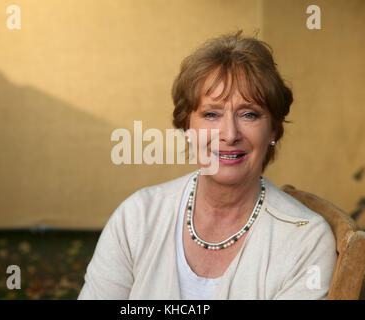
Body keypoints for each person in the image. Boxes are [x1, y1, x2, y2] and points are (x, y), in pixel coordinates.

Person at [78, 30, 337, 300]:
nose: (229, 134)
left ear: (273, 130)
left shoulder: (305, 239)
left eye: (249, 114)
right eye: (211, 114)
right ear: (186, 126)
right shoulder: (137, 218)